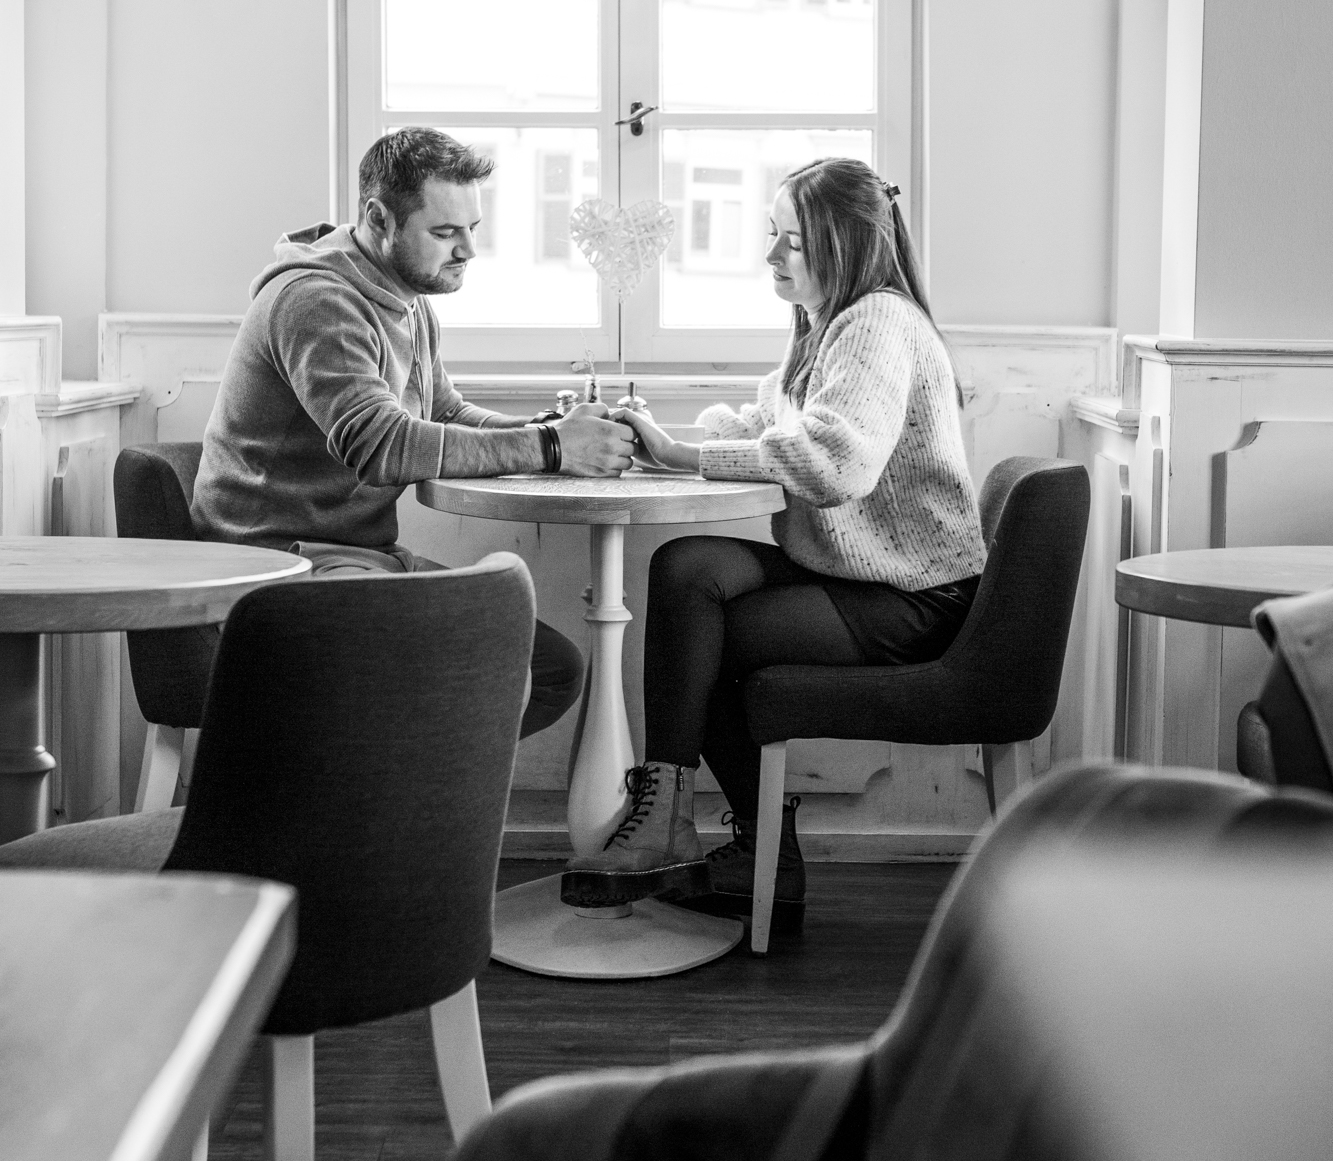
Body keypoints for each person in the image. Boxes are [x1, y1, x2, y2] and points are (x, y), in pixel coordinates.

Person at [561, 156, 986, 917]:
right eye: (772, 236)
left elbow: (835, 461)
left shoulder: (877, 323)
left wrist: (683, 455)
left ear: (842, 246)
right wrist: (667, 436)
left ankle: (714, 839)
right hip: (859, 577)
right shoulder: (828, 328)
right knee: (688, 568)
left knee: (708, 635)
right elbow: (772, 426)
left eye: (789, 241)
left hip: (914, 597)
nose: (769, 256)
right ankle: (693, 829)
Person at [192, 126, 636, 737]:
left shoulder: (406, 295)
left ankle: (386, 811)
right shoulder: (316, 299)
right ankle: (357, 815)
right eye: (446, 232)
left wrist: (549, 428)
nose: (468, 251)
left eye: (472, 230)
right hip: (274, 567)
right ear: (380, 218)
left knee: (549, 666)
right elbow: (381, 444)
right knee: (492, 662)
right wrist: (554, 448)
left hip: (358, 557)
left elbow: (445, 411)